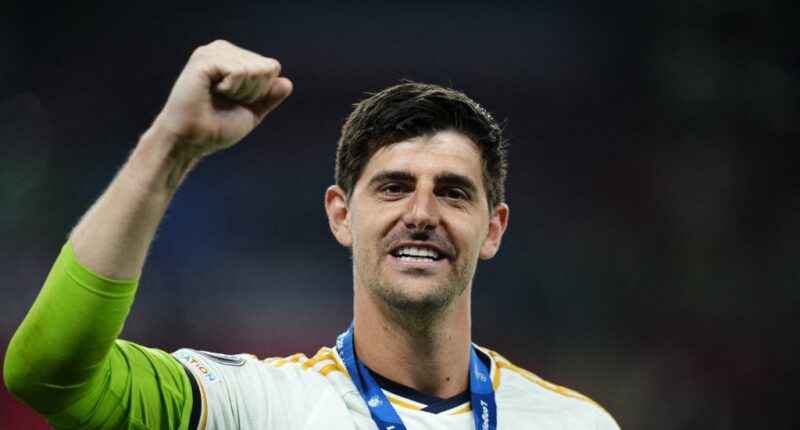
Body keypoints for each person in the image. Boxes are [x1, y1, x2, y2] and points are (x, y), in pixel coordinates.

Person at [4, 40, 619, 429]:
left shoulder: (574, 423)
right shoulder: (256, 406)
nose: (423, 212)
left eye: (453, 191)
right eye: (393, 186)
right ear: (341, 215)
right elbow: (48, 373)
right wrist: (171, 147)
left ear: (494, 228)